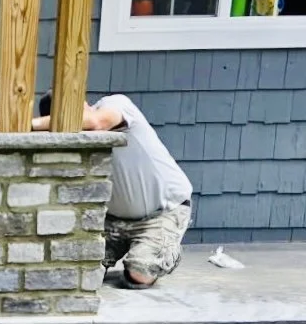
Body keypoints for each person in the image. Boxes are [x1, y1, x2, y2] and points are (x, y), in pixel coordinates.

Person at [33, 93, 193, 288]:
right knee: (80, 274)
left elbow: (96, 123)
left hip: (161, 212)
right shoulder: (70, 145)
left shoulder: (115, 104)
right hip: (111, 221)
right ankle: (126, 248)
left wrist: (30, 125)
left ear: (84, 105)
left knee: (139, 273)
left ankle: (165, 252)